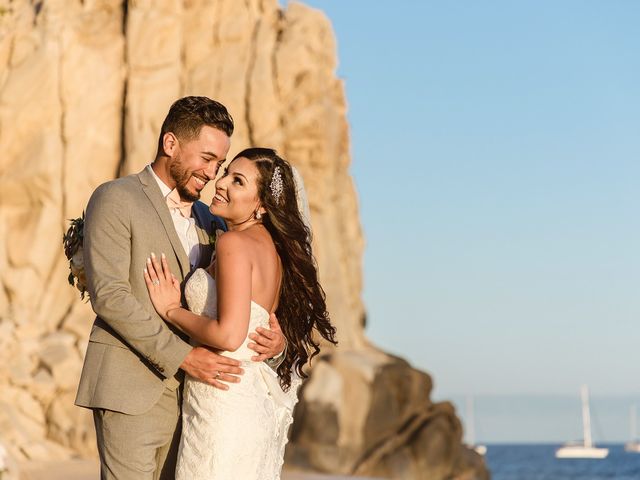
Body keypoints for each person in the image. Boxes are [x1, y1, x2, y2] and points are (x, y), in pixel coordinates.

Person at [75, 97, 286, 480]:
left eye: (220, 164)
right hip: (131, 387)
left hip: (198, 399)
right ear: (170, 144)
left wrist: (275, 337)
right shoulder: (115, 198)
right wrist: (183, 357)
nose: (212, 174)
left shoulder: (214, 220)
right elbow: (111, 296)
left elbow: (241, 296)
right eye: (206, 159)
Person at [143, 148, 337, 480]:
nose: (221, 184)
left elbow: (230, 335)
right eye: (226, 174)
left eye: (238, 181)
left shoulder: (234, 243)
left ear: (261, 204)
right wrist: (278, 342)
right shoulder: (271, 250)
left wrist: (172, 310)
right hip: (245, 400)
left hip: (223, 404)